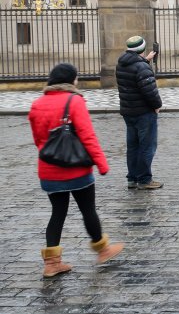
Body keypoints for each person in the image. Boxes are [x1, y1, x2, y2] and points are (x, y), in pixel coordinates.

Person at [29, 63, 124, 277]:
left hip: (49, 170)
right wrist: (101, 163)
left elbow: (39, 140)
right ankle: (103, 250)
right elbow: (87, 136)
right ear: (71, 80)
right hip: (76, 169)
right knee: (87, 209)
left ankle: (51, 263)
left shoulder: (37, 104)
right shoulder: (74, 101)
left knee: (57, 213)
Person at [116, 35, 163, 190]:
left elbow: (133, 75)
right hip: (144, 112)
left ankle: (132, 178)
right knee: (147, 146)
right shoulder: (142, 67)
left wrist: (146, 60)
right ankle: (144, 179)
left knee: (133, 146)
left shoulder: (122, 63)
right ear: (142, 49)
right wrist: (157, 106)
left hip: (129, 111)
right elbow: (149, 91)